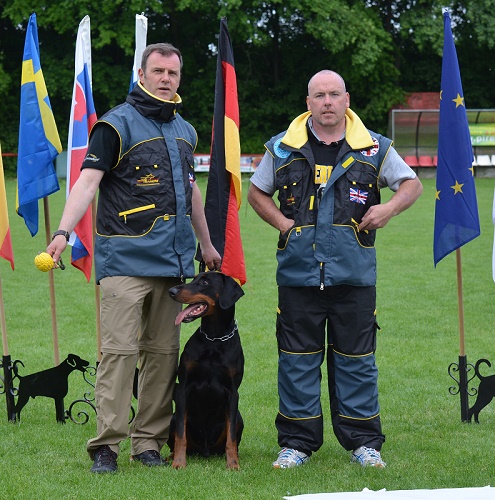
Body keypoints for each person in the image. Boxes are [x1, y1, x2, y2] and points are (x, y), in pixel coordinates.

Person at [47, 43, 221, 474]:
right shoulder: (114, 125)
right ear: (141, 75)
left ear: (180, 78)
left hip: (174, 264)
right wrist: (63, 232)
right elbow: (87, 183)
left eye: (173, 73)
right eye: (158, 71)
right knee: (119, 353)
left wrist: (207, 243)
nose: (166, 79)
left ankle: (148, 444)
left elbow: (192, 191)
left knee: (163, 355)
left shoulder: (186, 130)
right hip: (124, 261)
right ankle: (106, 446)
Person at [248, 70, 422, 469]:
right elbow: (257, 192)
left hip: (354, 277)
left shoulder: (375, 147)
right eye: (318, 95)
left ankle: (364, 443)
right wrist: (283, 225)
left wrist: (389, 208)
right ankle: (296, 444)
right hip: (297, 275)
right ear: (307, 102)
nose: (327, 102)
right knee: (296, 361)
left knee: (357, 361)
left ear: (346, 99)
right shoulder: (282, 147)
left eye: (334, 95)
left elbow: (411, 184)